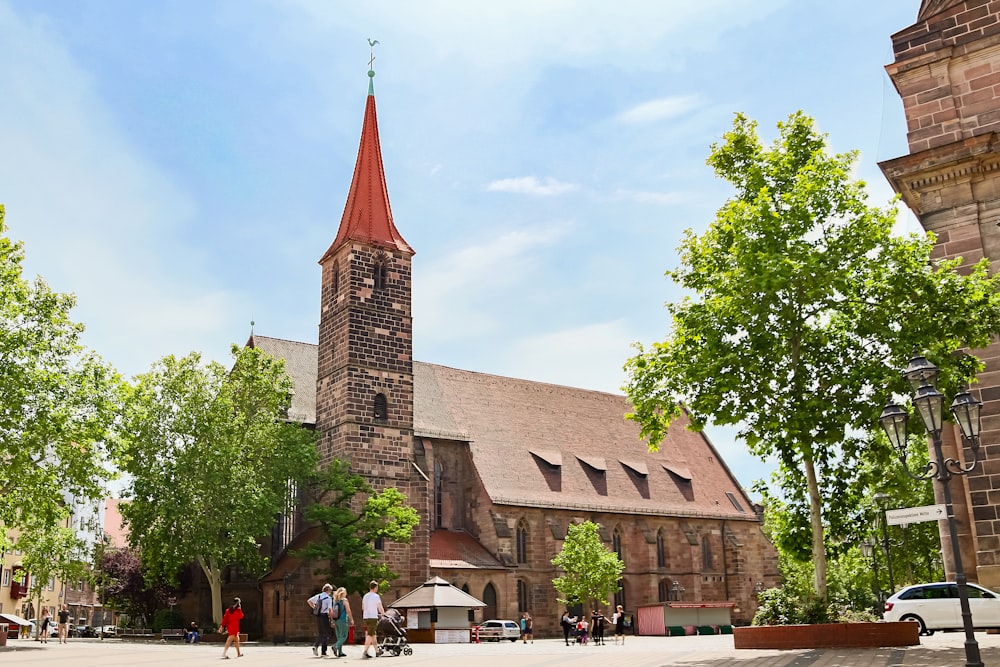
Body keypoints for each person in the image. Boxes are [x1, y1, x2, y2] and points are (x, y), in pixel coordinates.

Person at [308, 583, 334, 657]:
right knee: (325, 633)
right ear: (328, 590)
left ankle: (318, 648)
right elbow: (330, 609)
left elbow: (309, 601)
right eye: (331, 591)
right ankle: (322, 650)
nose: (330, 592)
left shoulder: (319, 596)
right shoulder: (328, 598)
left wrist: (315, 608)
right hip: (325, 616)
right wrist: (331, 619)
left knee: (321, 632)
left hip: (318, 615)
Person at [361, 580, 384, 659]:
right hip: (373, 617)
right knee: (370, 634)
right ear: (376, 587)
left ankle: (377, 651)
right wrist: (383, 614)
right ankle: (365, 651)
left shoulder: (365, 596)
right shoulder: (376, 596)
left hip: (365, 617)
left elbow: (363, 607)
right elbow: (380, 607)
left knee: (373, 634)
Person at [332, 586, 354, 658]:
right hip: (343, 620)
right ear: (343, 593)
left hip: (336, 620)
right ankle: (335, 646)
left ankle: (340, 652)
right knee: (344, 636)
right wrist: (351, 619)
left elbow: (332, 611)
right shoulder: (344, 600)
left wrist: (332, 621)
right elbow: (348, 611)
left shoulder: (335, 600)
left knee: (339, 636)